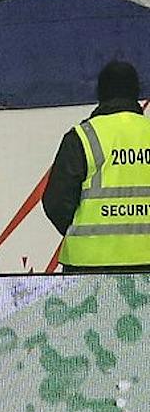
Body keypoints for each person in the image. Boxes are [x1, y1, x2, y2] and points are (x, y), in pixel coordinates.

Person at [43, 60, 150, 271]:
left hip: (89, 265)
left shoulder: (83, 137)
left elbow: (55, 202)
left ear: (101, 93)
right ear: (136, 93)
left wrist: (82, 231)